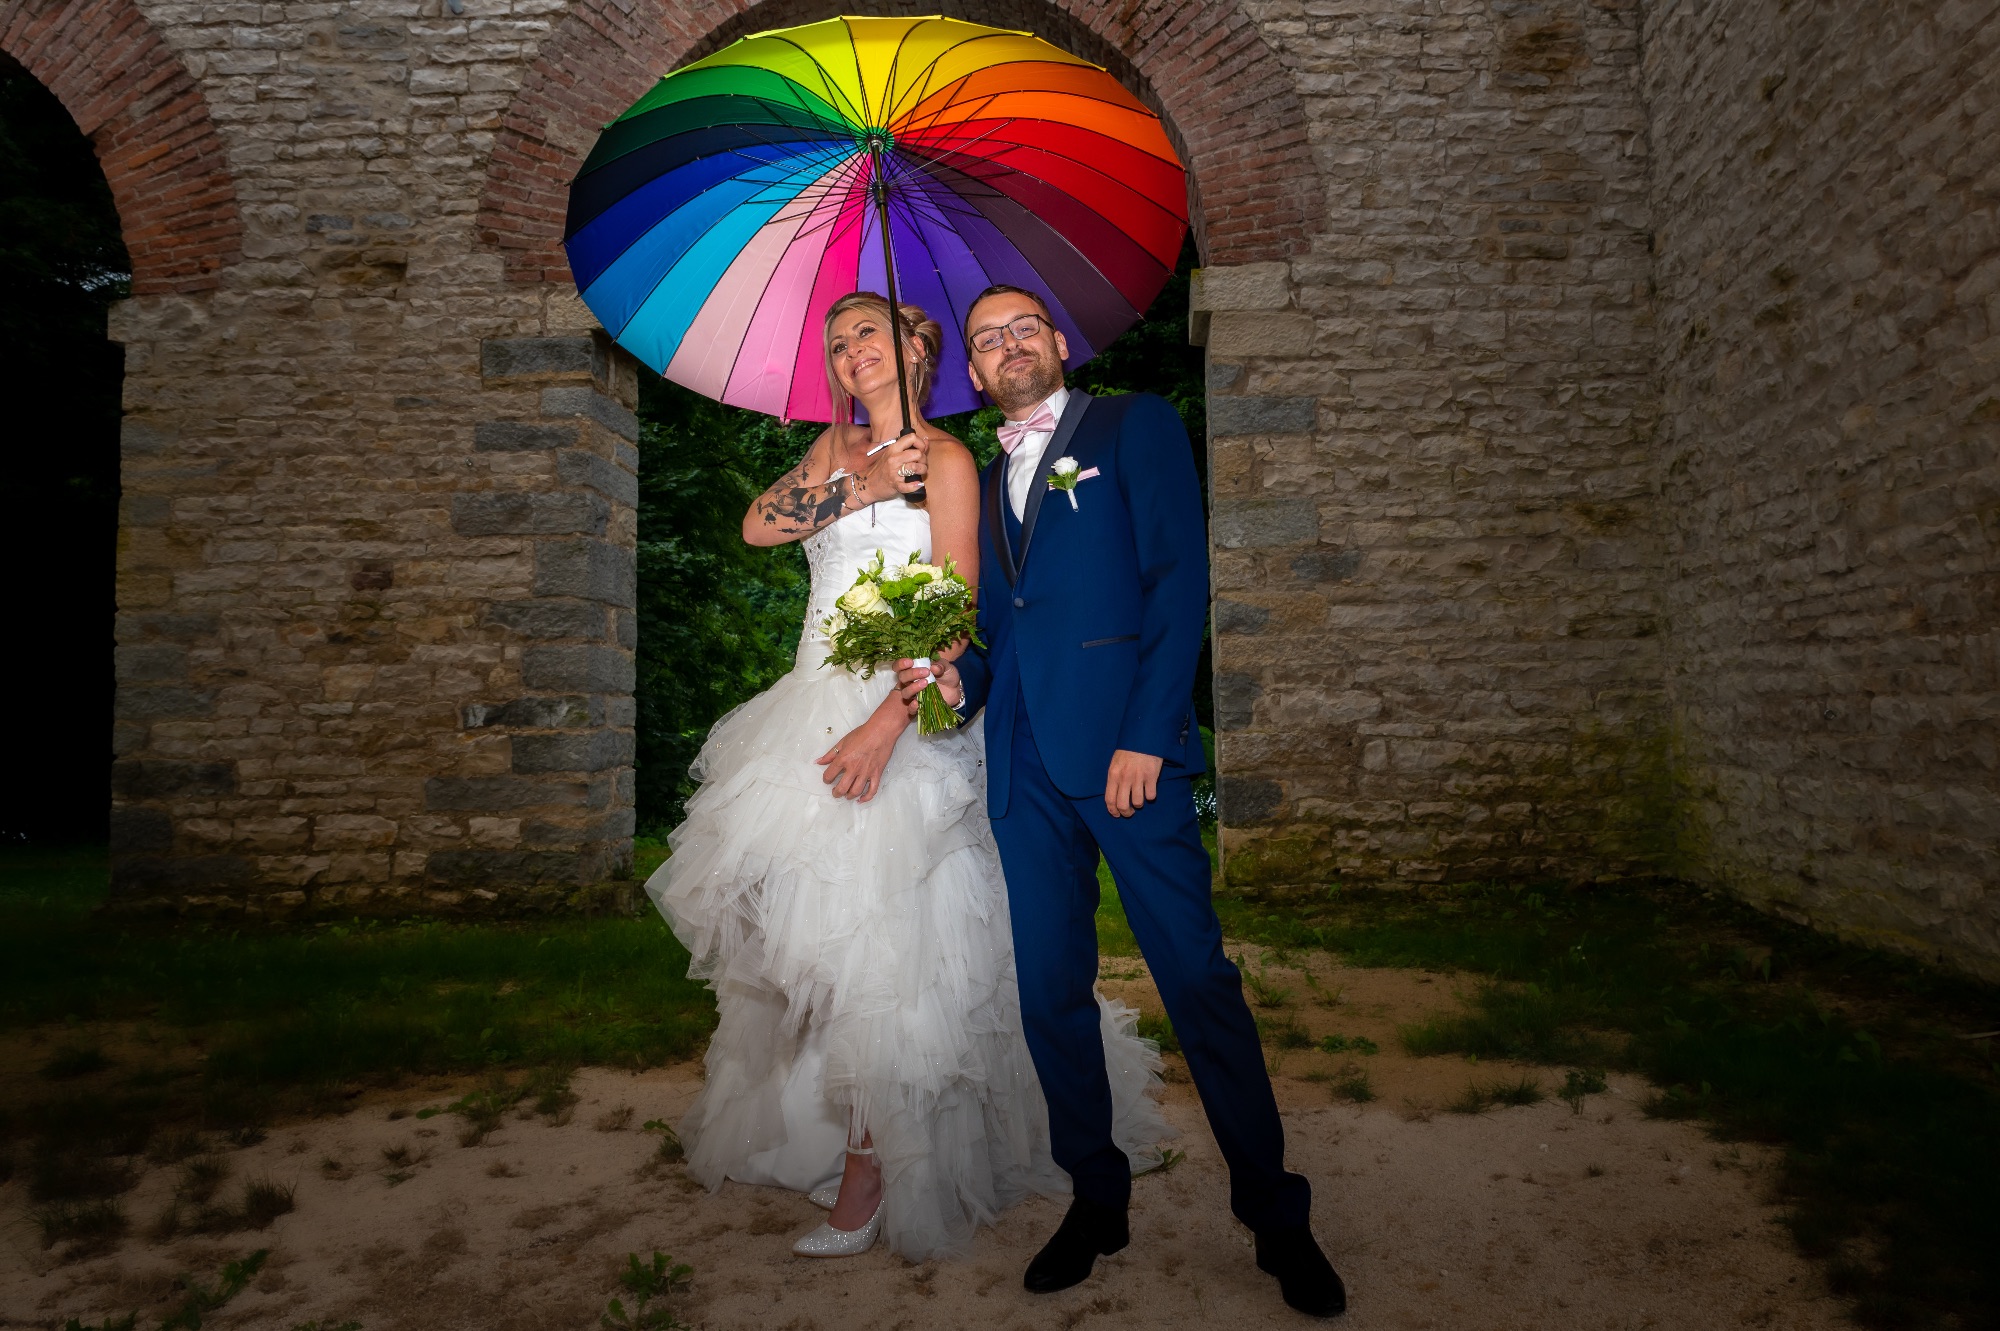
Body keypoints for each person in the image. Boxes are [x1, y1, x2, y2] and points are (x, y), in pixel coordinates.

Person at [645, 291, 1168, 1262]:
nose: (851, 353)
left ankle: (872, 1166)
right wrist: (864, 478)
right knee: (809, 941)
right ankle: (823, 1126)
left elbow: (958, 608)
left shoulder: (955, 462)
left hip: (903, 719)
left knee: (886, 945)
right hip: (807, 710)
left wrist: (891, 721)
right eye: (837, 343)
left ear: (915, 347)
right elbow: (758, 527)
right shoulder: (827, 453)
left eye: (867, 335)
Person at [894, 284, 1346, 1316]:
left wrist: (1148, 730)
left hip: (1125, 755)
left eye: (1022, 329)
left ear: (1057, 342)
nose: (1006, 346)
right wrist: (956, 682)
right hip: (1019, 765)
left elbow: (1175, 579)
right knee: (1050, 991)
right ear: (970, 369)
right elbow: (1001, 627)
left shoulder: (1133, 424)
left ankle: (1275, 1213)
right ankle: (1094, 1197)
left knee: (1194, 975)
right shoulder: (971, 467)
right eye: (984, 339)